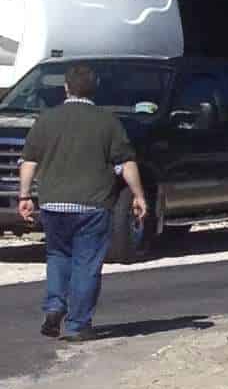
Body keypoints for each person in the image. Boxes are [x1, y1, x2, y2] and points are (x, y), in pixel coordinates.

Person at [13, 64, 149, 341]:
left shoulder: (47, 119)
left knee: (57, 256)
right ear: (94, 89)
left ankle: (54, 306)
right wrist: (139, 195)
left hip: (53, 205)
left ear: (66, 87)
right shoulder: (106, 121)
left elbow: (29, 161)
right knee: (86, 264)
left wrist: (25, 196)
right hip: (93, 205)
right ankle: (77, 325)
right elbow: (125, 163)